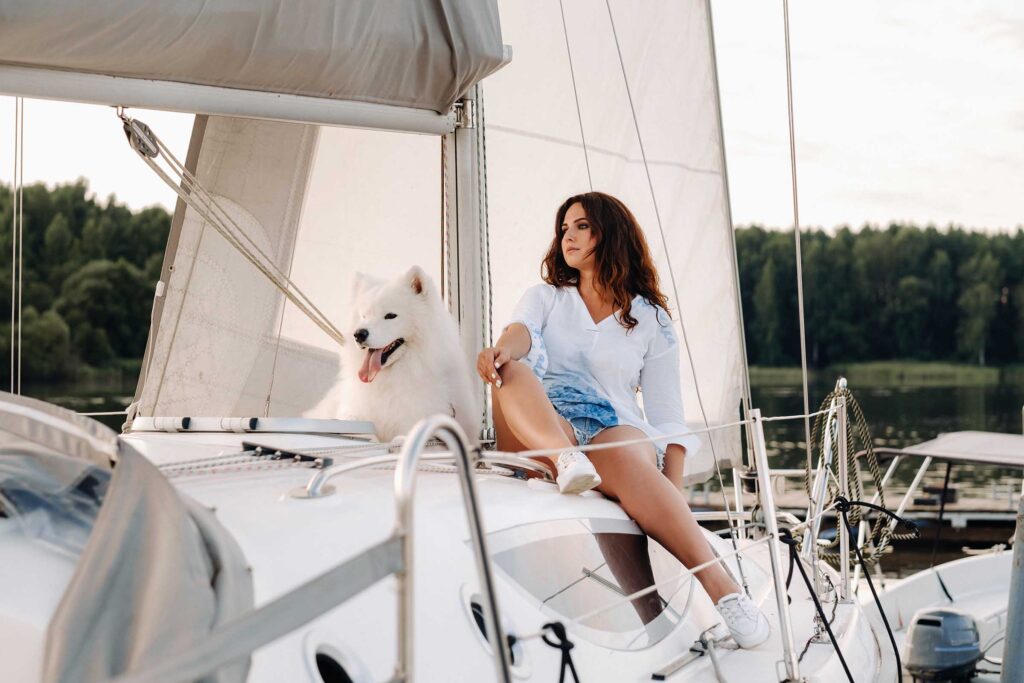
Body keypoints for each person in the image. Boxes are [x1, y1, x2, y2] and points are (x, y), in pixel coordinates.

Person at [476, 192, 770, 648]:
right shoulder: (547, 298)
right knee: (510, 370)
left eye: (581, 227)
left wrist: (669, 493)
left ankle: (726, 595)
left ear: (609, 234)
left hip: (611, 433)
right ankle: (566, 458)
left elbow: (668, 416)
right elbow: (522, 334)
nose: (567, 236)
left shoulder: (651, 319)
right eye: (564, 228)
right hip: (545, 425)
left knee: (626, 445)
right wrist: (501, 350)